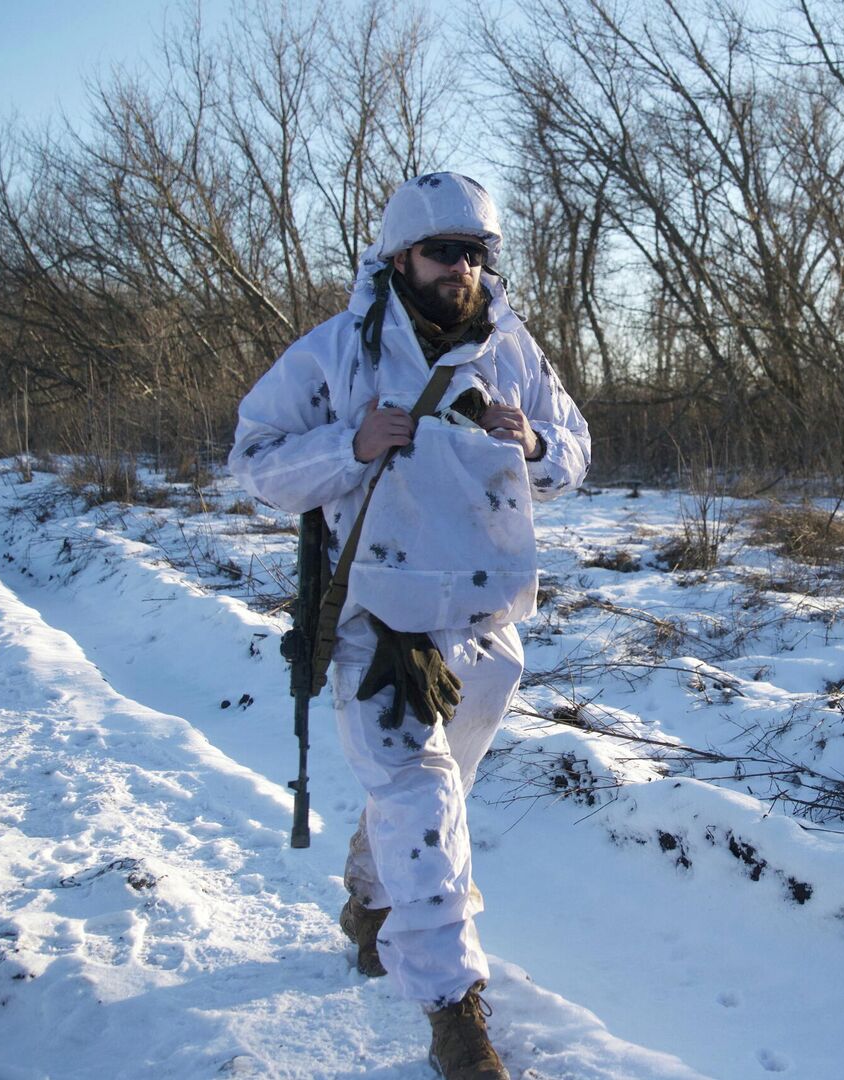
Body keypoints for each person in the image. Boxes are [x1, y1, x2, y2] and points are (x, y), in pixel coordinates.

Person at [229, 172, 589, 1080]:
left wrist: (538, 446)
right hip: (380, 623)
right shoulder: (337, 354)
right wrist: (347, 443)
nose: (460, 269)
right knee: (424, 799)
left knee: (435, 795)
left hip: (486, 622)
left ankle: (369, 899)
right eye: (442, 252)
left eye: (474, 253)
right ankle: (452, 1013)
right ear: (400, 257)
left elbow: (576, 446)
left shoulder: (513, 351)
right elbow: (252, 457)